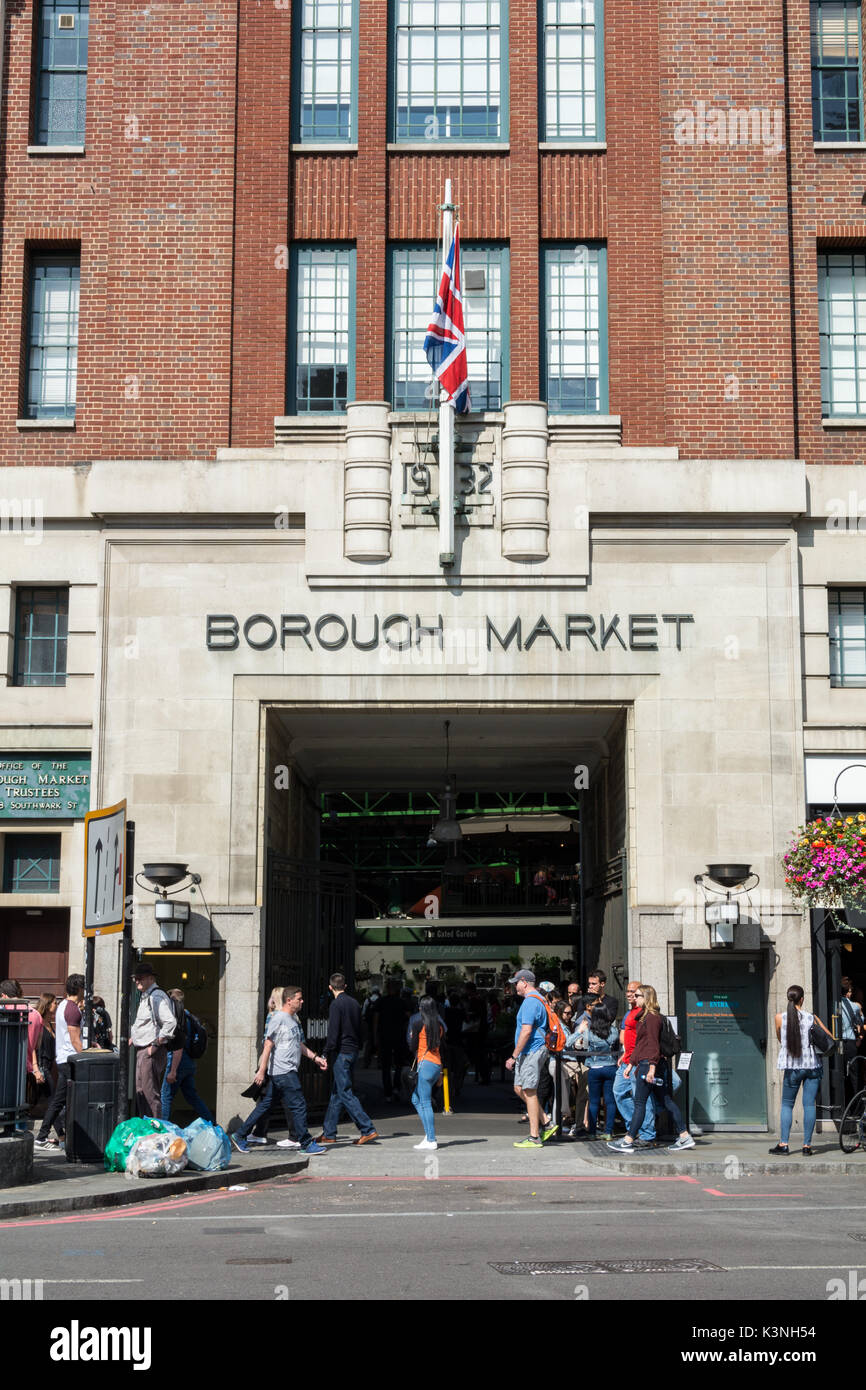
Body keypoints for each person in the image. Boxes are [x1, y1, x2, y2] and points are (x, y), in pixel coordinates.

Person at [232, 986, 328, 1155]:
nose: (302, 1001)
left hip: (284, 1071)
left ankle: (240, 1135)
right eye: (299, 999)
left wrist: (316, 1058)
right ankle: (305, 1143)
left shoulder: (292, 1020)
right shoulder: (278, 1018)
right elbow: (268, 1045)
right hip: (283, 1071)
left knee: (266, 1105)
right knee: (298, 1105)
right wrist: (261, 1071)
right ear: (289, 1001)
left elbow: (299, 1045)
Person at [607, 985, 694, 1154]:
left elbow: (653, 1044)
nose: (634, 997)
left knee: (640, 1103)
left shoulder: (652, 1018)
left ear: (646, 998)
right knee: (666, 1100)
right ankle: (684, 1136)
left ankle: (628, 1140)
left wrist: (651, 1068)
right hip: (648, 1064)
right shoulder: (644, 1018)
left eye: (638, 995)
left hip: (649, 1065)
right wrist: (631, 1064)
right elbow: (640, 1045)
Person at [770, 985, 834, 1156]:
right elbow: (828, 1037)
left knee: (786, 1105)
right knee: (809, 1105)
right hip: (813, 1066)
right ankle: (807, 1146)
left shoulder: (779, 1018)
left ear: (788, 999)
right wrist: (817, 1022)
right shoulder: (811, 1018)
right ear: (802, 999)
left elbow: (780, 1039)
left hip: (792, 1068)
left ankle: (784, 1144)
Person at [318, 972, 378, 1145]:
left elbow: (333, 1033)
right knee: (337, 1093)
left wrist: (325, 1052)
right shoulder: (354, 1003)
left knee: (344, 1092)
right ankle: (329, 1132)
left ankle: (367, 1128)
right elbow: (361, 1028)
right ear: (344, 986)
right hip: (352, 1052)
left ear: (330, 988)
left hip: (341, 1053)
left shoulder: (336, 1005)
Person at [506, 969, 558, 1148]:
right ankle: (547, 1122)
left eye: (516, 983)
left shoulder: (530, 1002)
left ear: (524, 982)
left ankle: (535, 1137)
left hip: (531, 1050)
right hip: (530, 1051)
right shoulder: (538, 999)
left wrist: (513, 1055)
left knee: (529, 1091)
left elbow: (526, 1031)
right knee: (519, 1088)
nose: (514, 986)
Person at [34, 974, 84, 1150]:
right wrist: (85, 1056)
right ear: (79, 989)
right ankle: (45, 1137)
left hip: (63, 1059)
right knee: (64, 1101)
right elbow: (75, 1038)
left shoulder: (63, 1005)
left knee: (59, 1101)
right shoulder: (72, 1009)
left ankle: (49, 1137)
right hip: (71, 1060)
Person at [129, 964, 180, 1118]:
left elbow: (170, 1022)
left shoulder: (156, 996)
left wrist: (156, 1044)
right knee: (141, 1091)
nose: (136, 981)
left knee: (149, 1094)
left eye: (140, 978)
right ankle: (148, 1130)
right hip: (143, 1050)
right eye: (135, 978)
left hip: (149, 1051)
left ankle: (155, 1132)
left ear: (151, 978)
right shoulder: (146, 995)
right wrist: (134, 1037)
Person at [160, 989, 215, 1124]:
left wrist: (172, 1070)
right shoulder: (189, 1015)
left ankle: (163, 1130)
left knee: (165, 1097)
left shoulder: (176, 1016)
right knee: (192, 1096)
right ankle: (211, 1122)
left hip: (177, 1061)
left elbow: (177, 1045)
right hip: (189, 1062)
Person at [612, 980, 656, 1146]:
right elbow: (625, 1037)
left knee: (642, 1099)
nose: (630, 994)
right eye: (628, 991)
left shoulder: (644, 1013)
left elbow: (646, 1039)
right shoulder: (629, 1013)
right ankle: (634, 1127)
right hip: (628, 1060)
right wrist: (625, 1055)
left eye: (634, 992)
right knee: (618, 1091)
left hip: (638, 1061)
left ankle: (647, 1133)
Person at [573, 999, 619, 1139]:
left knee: (593, 1101)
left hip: (594, 1067)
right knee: (609, 1101)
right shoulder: (614, 1031)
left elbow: (583, 1047)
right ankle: (608, 1132)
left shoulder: (589, 1032)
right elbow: (616, 1044)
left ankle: (592, 1132)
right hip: (610, 1067)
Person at [407, 993, 446, 1150]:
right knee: (416, 1099)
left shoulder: (417, 1023)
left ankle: (431, 1139)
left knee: (423, 1101)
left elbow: (412, 1046)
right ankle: (428, 1135)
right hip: (436, 1064)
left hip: (425, 1064)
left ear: (421, 1008)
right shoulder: (439, 1025)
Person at [373, 978, 410, 1100]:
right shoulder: (402, 1002)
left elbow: (376, 1020)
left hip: (384, 1036)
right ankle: (397, 1087)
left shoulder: (381, 1001)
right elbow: (407, 1018)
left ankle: (387, 1092)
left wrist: (375, 1035)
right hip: (399, 1036)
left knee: (386, 1065)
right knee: (399, 1064)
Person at [32, 992, 57, 1118]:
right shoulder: (40, 1023)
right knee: (53, 1101)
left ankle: (46, 1134)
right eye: (54, 1002)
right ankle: (61, 1135)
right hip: (42, 1066)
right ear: (47, 1005)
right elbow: (33, 1047)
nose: (56, 1005)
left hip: (49, 1065)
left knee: (51, 1100)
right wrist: (36, 1070)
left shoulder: (50, 1024)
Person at [839, 981, 865, 1103]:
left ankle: (841, 1102)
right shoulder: (855, 1006)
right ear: (847, 993)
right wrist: (860, 1038)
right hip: (850, 1042)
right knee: (853, 1073)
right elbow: (861, 1021)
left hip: (838, 1041)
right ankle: (855, 1103)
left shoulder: (833, 1004)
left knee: (840, 1072)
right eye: (850, 991)